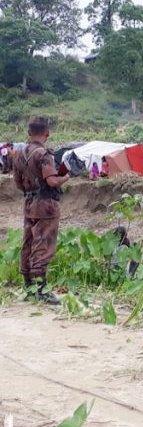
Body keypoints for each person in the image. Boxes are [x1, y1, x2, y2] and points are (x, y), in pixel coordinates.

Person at [13, 116, 71, 304]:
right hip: (46, 206)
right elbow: (52, 181)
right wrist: (66, 177)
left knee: (28, 244)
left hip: (29, 204)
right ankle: (42, 289)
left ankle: (29, 287)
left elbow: (18, 184)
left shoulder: (19, 154)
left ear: (29, 133)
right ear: (47, 133)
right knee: (43, 245)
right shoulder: (43, 155)